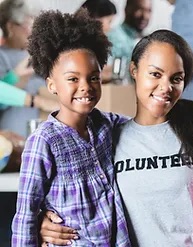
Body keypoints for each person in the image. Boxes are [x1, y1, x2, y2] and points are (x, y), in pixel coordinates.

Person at [39, 29, 193, 246]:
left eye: (176, 78)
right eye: (155, 74)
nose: (166, 87)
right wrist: (45, 219)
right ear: (133, 69)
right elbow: (79, 196)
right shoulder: (107, 139)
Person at [11, 9, 131, 246]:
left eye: (93, 77)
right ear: (52, 85)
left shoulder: (108, 124)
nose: (85, 86)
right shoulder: (43, 142)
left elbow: (147, 126)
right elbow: (25, 215)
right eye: (73, 79)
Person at [0, 0, 58, 137]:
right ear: (11, 27)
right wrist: (14, 78)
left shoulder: (42, 53)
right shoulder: (2, 56)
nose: (31, 31)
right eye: (27, 24)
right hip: (16, 135)